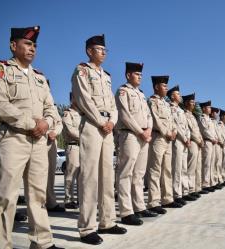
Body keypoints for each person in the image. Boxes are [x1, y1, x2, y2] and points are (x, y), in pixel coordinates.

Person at [0, 26, 63, 249]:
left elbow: (51, 107)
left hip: (38, 142)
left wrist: (47, 123)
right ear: (13, 46)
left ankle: (42, 243)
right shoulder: (0, 70)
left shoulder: (39, 78)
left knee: (38, 195)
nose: (32, 49)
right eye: (28, 44)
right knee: (6, 196)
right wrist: (33, 124)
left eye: (35, 46)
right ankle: (1, 245)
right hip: (13, 138)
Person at [71, 34, 126, 245]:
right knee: (89, 178)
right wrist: (101, 121)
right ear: (89, 51)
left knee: (106, 176)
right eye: (99, 49)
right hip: (92, 126)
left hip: (107, 128)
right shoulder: (81, 71)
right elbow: (83, 99)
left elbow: (112, 104)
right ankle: (86, 228)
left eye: (105, 50)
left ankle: (108, 221)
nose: (103, 52)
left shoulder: (106, 75)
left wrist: (111, 120)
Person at [115, 62, 156, 226]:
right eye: (137, 74)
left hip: (144, 136)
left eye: (141, 75)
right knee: (126, 173)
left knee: (139, 174)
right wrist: (140, 131)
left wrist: (149, 130)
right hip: (130, 134)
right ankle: (126, 212)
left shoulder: (141, 94)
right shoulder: (122, 91)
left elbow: (149, 115)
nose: (140, 77)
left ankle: (139, 207)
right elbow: (124, 115)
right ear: (128, 75)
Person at [147, 75, 182, 214]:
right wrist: (166, 132)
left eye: (167, 86)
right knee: (155, 170)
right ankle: (153, 202)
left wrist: (173, 131)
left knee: (167, 170)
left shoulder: (166, 104)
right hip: (158, 137)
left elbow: (172, 121)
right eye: (164, 85)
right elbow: (155, 119)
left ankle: (167, 198)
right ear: (156, 87)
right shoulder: (152, 101)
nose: (166, 88)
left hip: (168, 139)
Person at [168, 85, 194, 205]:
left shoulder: (180, 110)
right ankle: (176, 194)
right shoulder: (171, 108)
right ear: (172, 96)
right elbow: (176, 125)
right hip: (178, 141)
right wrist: (184, 138)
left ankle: (183, 192)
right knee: (177, 168)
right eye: (178, 94)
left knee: (183, 168)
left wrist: (188, 137)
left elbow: (186, 127)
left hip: (185, 141)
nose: (180, 96)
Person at [182, 93, 206, 197]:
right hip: (192, 142)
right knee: (190, 168)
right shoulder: (184, 114)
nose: (193, 104)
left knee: (197, 167)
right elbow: (189, 131)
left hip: (198, 143)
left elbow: (197, 130)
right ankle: (190, 189)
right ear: (186, 103)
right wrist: (198, 139)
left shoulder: (193, 116)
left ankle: (196, 188)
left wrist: (201, 139)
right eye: (192, 102)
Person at [62, 92, 81, 209]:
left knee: (81, 175)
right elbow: (70, 130)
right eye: (76, 97)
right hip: (73, 146)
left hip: (83, 146)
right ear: (71, 99)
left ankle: (80, 198)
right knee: (71, 174)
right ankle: (68, 199)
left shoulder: (82, 114)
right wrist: (86, 136)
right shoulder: (67, 114)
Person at [46, 104, 65, 212]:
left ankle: (50, 202)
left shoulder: (52, 107)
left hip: (51, 140)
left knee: (50, 173)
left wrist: (55, 132)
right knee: (36, 174)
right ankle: (38, 203)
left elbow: (59, 123)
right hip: (36, 136)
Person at [198, 101, 217, 192]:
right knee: (206, 164)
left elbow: (214, 132)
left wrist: (215, 138)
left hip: (212, 142)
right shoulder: (202, 118)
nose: (210, 109)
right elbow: (205, 131)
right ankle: (205, 184)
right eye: (208, 107)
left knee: (211, 163)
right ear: (203, 109)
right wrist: (213, 138)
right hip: (207, 141)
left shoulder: (209, 119)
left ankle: (210, 182)